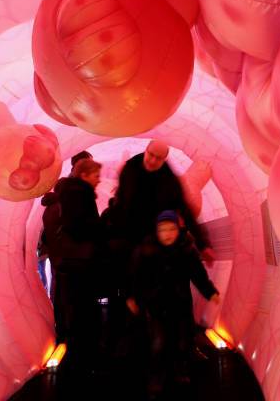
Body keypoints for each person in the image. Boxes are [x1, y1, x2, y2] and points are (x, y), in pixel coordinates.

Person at [126, 210, 220, 398]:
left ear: (179, 230)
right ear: (156, 231)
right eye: (163, 229)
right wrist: (132, 297)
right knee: (158, 343)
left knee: (182, 340)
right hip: (156, 305)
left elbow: (198, 275)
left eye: (171, 229)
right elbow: (136, 276)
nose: (167, 233)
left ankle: (180, 371)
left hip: (180, 304)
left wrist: (210, 292)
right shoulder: (147, 250)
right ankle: (156, 378)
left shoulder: (187, 250)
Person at [54, 157, 103, 373]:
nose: (99, 180)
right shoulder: (79, 194)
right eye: (96, 176)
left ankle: (81, 355)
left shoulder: (73, 193)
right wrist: (100, 229)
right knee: (84, 307)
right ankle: (86, 357)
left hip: (74, 261)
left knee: (79, 306)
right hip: (81, 262)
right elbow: (80, 226)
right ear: (84, 175)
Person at [39, 150, 93, 343]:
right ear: (79, 169)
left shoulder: (65, 194)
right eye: (89, 168)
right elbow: (76, 228)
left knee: (63, 295)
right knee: (68, 296)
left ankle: (66, 333)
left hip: (63, 258)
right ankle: (70, 336)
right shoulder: (73, 194)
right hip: (69, 259)